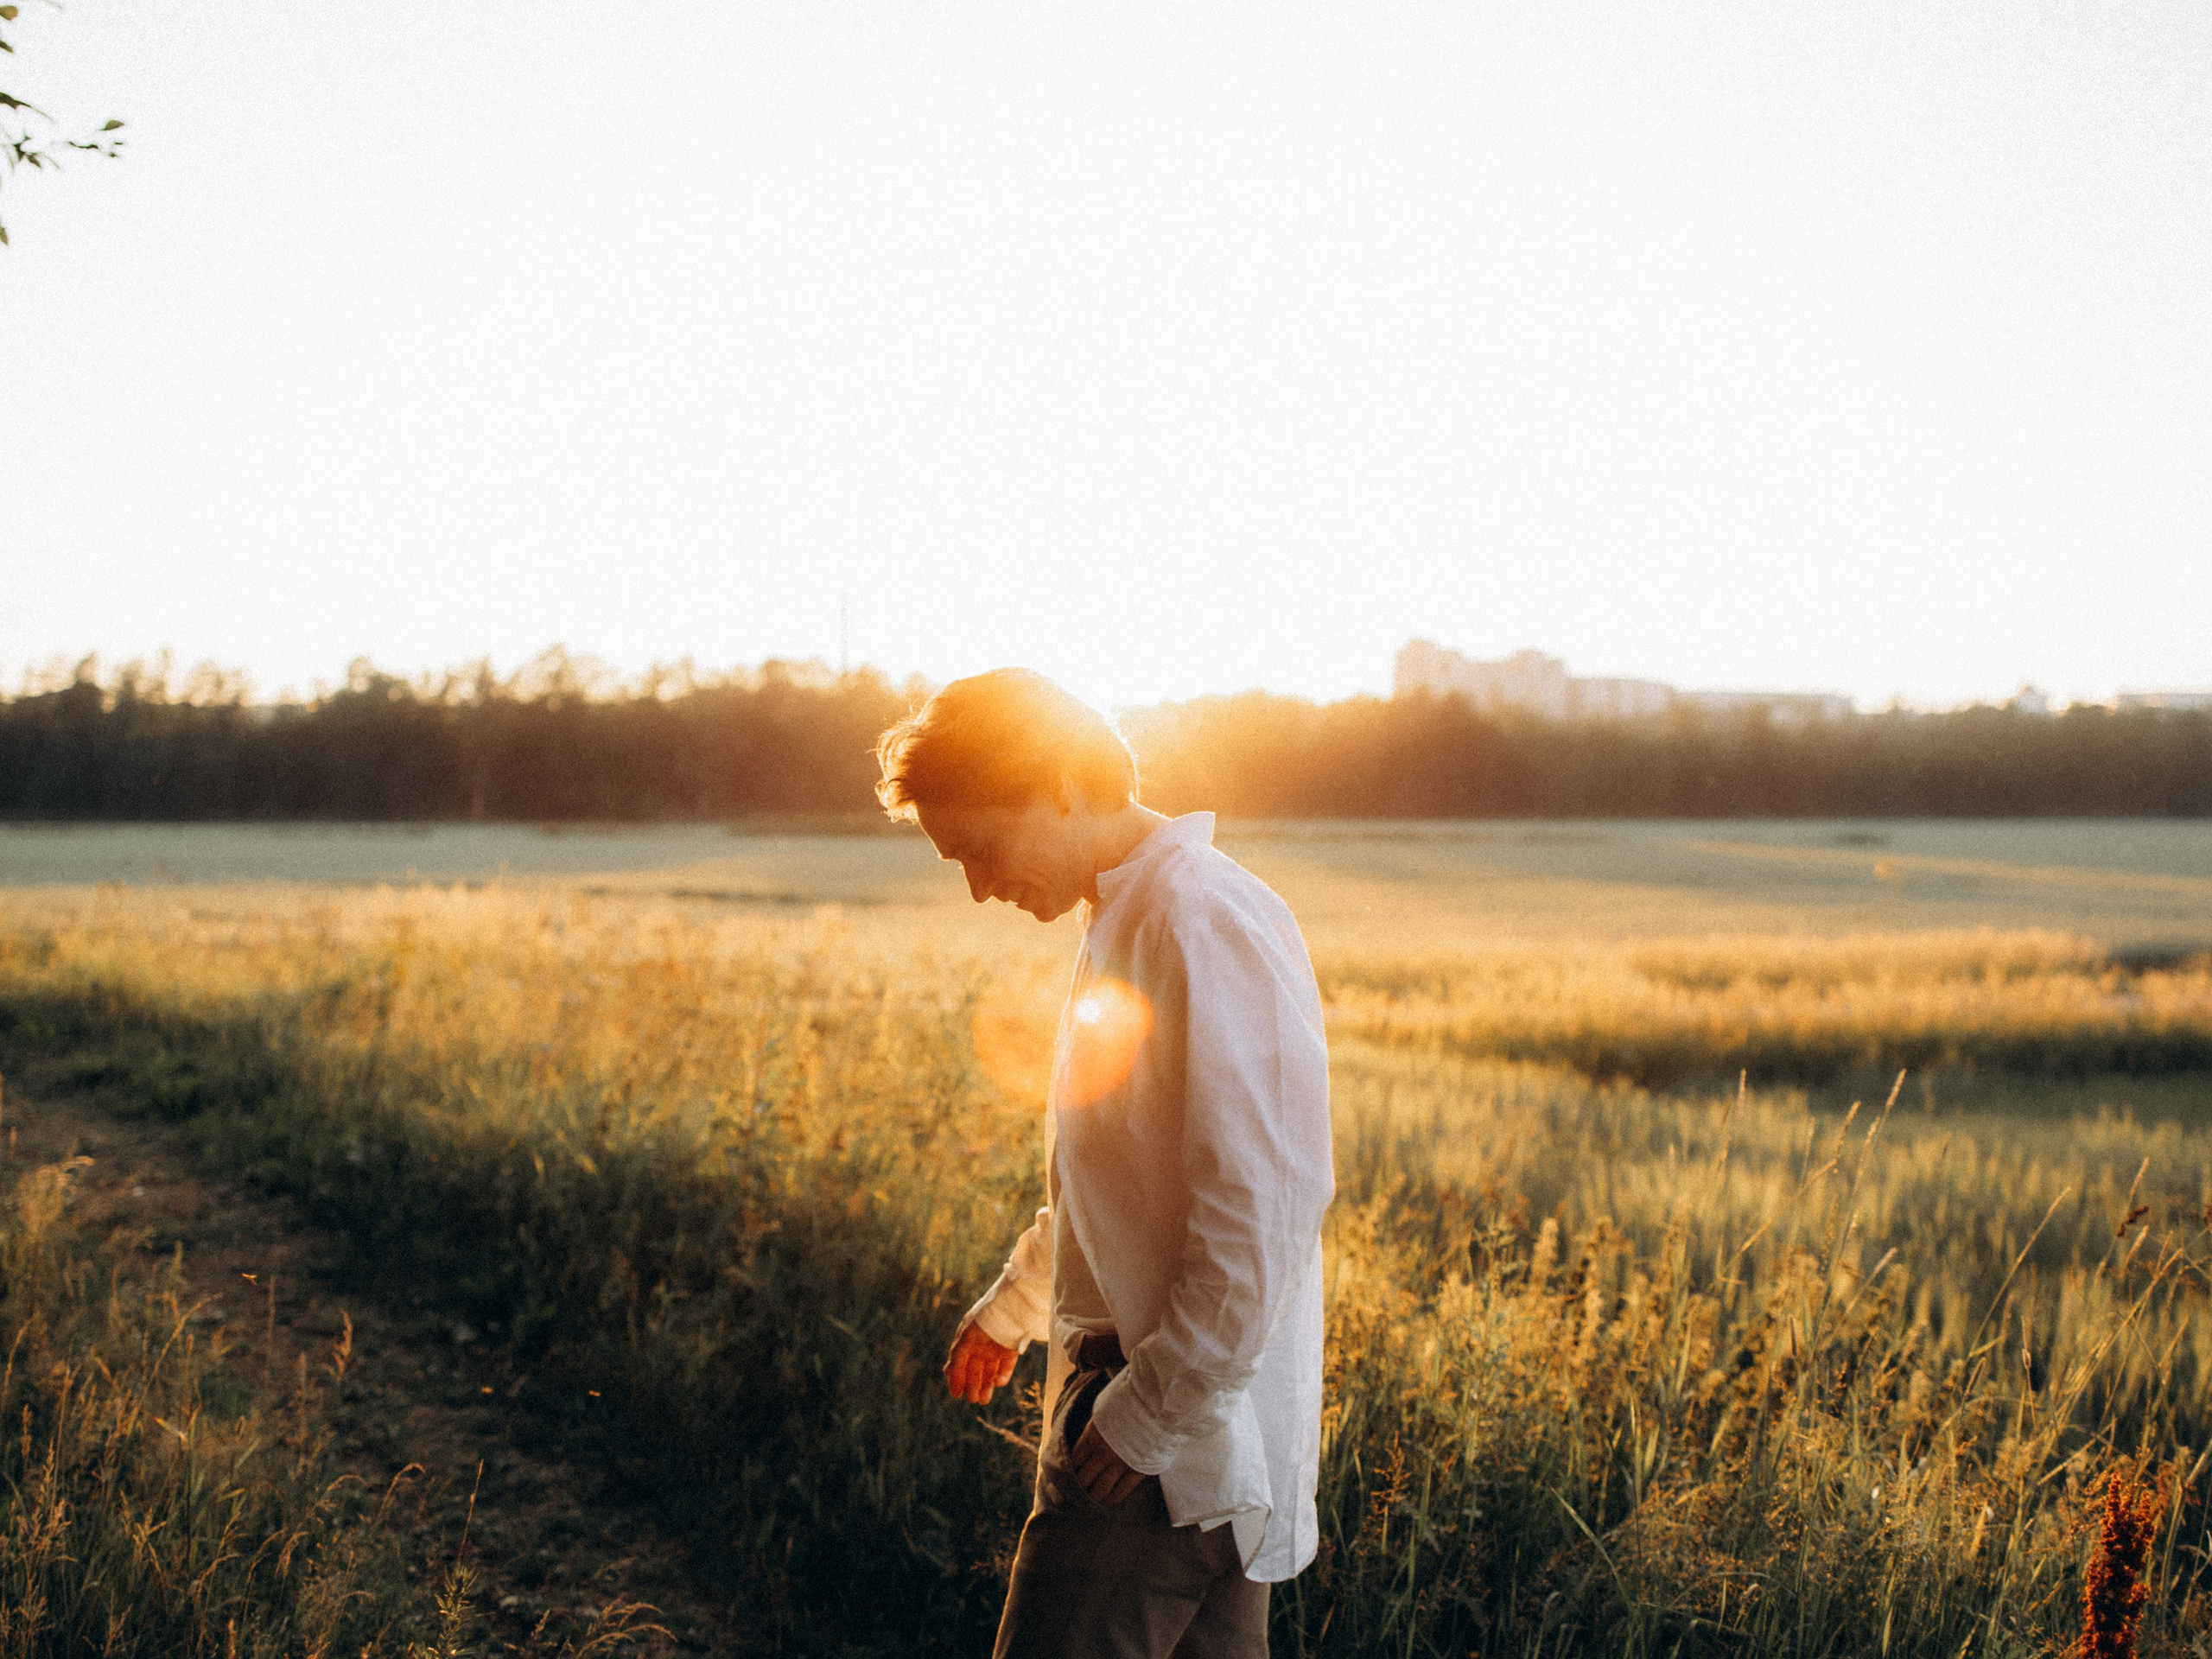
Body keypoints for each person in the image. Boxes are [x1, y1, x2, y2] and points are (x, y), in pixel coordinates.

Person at [874, 668, 1334, 1659]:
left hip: (1158, 1455)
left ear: (1063, 789)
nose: (979, 886)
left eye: (980, 847)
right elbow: (1119, 1189)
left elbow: (1267, 1208)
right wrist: (1015, 1305)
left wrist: (1143, 1419)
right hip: (1187, 1451)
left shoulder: (1197, 919)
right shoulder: (1126, 917)